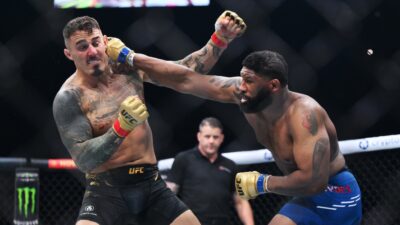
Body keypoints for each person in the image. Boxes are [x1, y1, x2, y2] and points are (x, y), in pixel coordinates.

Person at [105, 43, 363, 224]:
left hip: (336, 192)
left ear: (273, 86)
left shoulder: (305, 115)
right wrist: (131, 57)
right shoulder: (242, 95)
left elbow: (314, 181)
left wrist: (263, 183)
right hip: (304, 192)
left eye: (249, 80)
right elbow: (186, 80)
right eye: (241, 77)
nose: (241, 86)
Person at [53, 12, 246, 225]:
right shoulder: (70, 97)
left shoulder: (128, 68)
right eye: (82, 46)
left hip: (151, 184)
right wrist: (120, 129)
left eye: (95, 42)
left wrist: (219, 39)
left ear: (105, 41)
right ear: (69, 54)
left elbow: (185, 73)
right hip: (106, 191)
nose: (92, 51)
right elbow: (83, 160)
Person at [165, 117, 254, 225]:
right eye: (207, 136)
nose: (211, 141)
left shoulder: (230, 165)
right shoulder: (184, 159)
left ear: (221, 138)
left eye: (215, 137)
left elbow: (240, 201)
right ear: (199, 136)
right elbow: (169, 195)